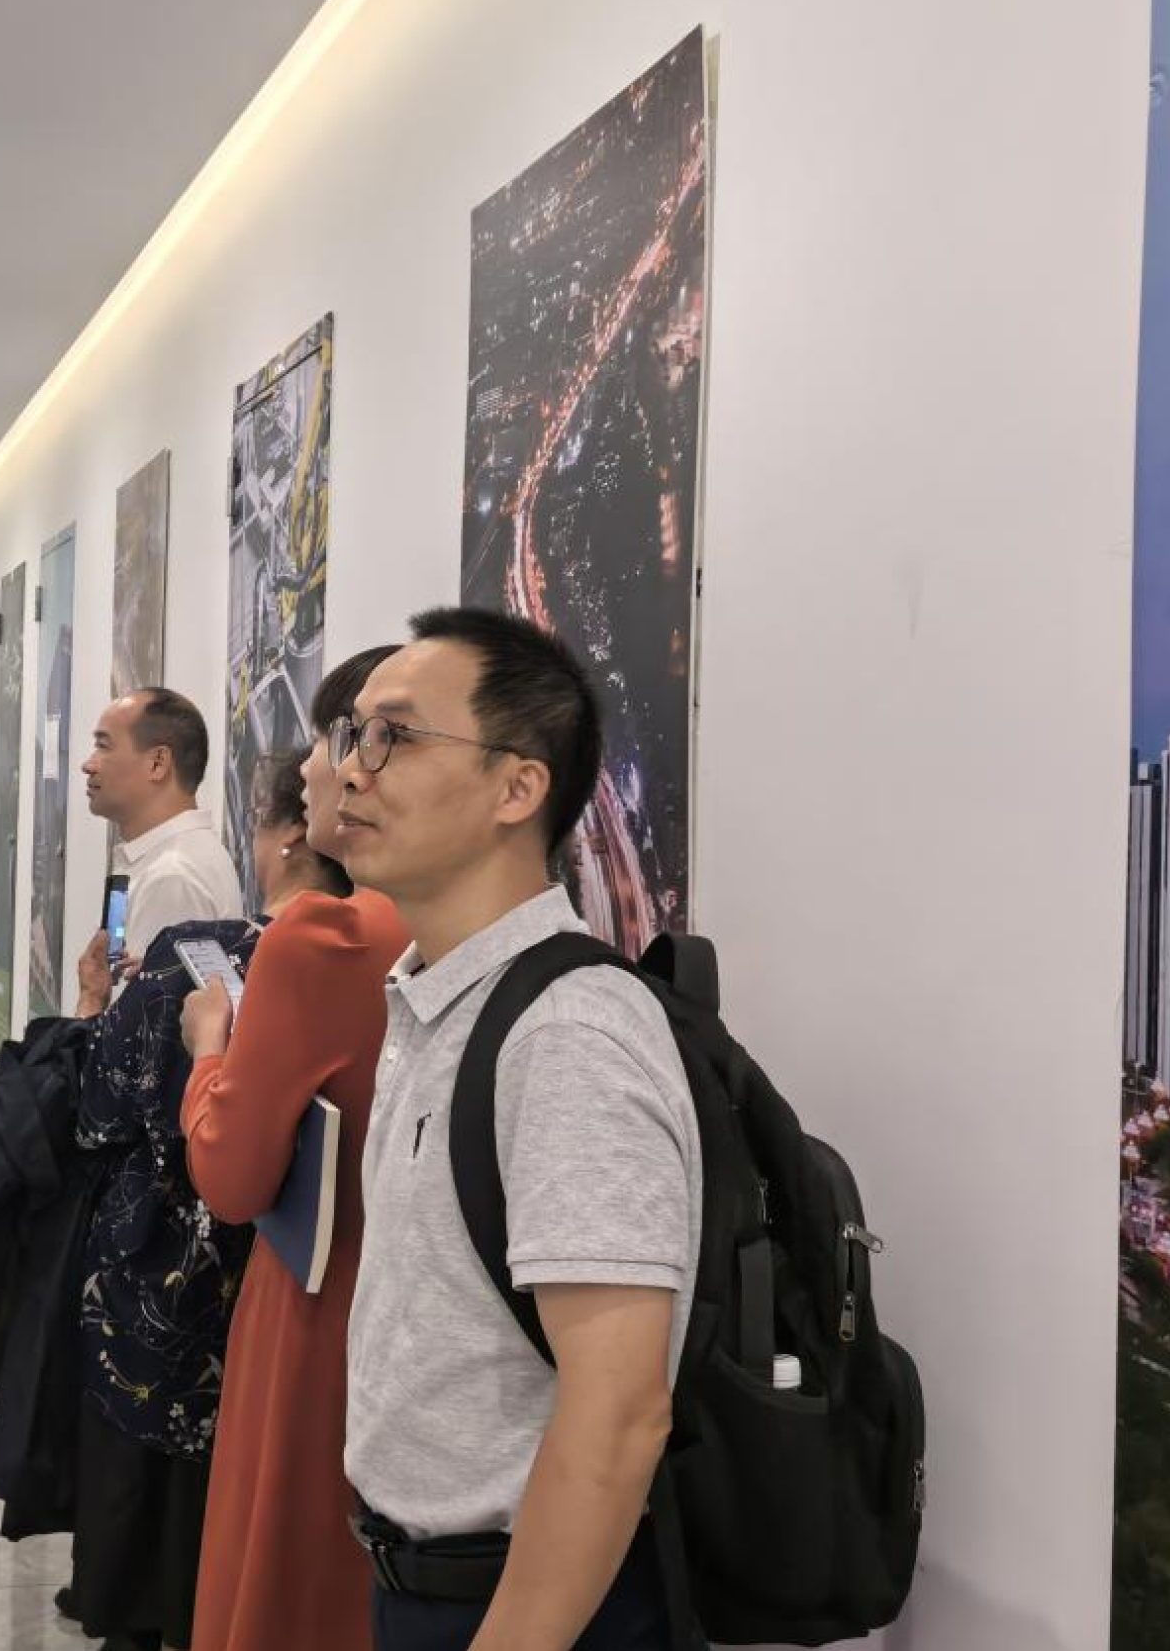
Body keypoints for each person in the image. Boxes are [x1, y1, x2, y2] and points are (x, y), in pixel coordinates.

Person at [338, 607, 701, 1651]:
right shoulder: (436, 999)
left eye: (394, 736)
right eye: (353, 734)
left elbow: (619, 1411)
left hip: (534, 1602)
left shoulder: (564, 1031)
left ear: (516, 787)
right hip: (428, 1582)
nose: (352, 768)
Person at [177, 646, 409, 1651]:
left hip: (315, 1305)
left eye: (334, 739)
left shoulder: (323, 938)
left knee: (291, 1576)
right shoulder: (439, 935)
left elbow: (230, 1177)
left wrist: (208, 1051)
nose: (317, 767)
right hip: (416, 1323)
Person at [60, 850, 269, 1651]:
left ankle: (132, 1606)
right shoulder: (367, 969)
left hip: (161, 1256)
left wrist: (92, 1005)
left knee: (143, 1454)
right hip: (256, 1276)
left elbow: (99, 1112)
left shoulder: (191, 944)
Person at [78, 687, 243, 977]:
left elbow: (143, 1006)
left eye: (104, 746)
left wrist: (90, 998)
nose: (88, 765)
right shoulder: (169, 862)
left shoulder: (172, 877)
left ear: (158, 763)